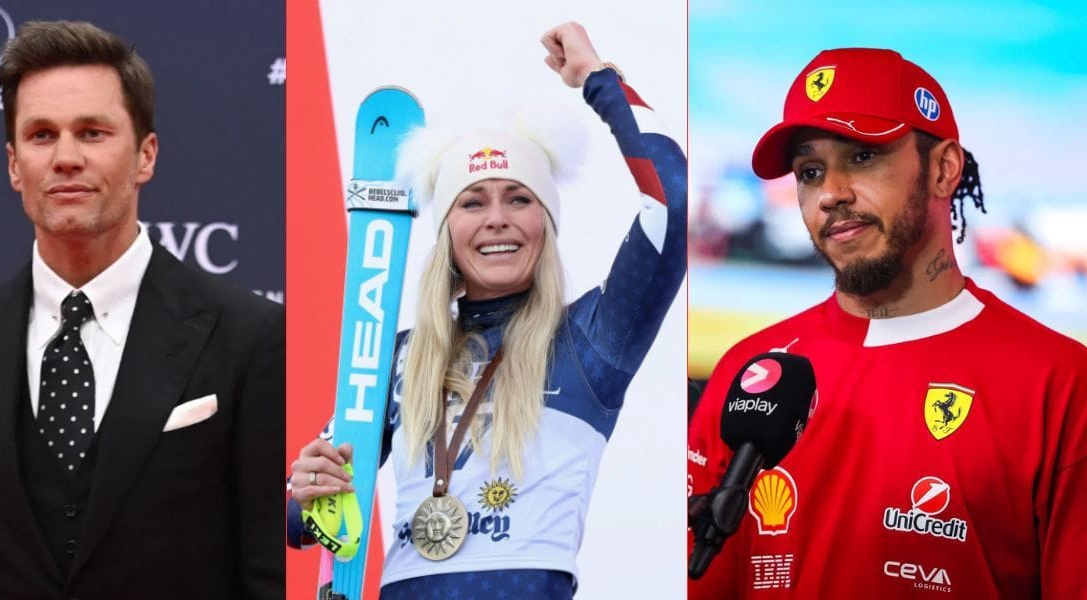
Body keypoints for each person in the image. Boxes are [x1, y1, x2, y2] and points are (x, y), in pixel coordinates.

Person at [287, 21, 685, 599]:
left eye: (519, 199)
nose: (497, 218)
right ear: (447, 232)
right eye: (472, 202)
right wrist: (308, 492)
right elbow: (305, 524)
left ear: (545, 226)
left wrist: (599, 81)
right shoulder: (397, 359)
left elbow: (671, 204)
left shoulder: (591, 339)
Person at [0, 21, 284, 599]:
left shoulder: (249, 337)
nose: (66, 157)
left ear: (146, 154)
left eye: (93, 132)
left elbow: (267, 574)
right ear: (14, 164)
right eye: (42, 135)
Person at [688, 48, 1087, 598]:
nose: (830, 194)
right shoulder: (751, 371)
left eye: (862, 157)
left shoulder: (1064, 385)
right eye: (810, 171)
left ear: (944, 168)